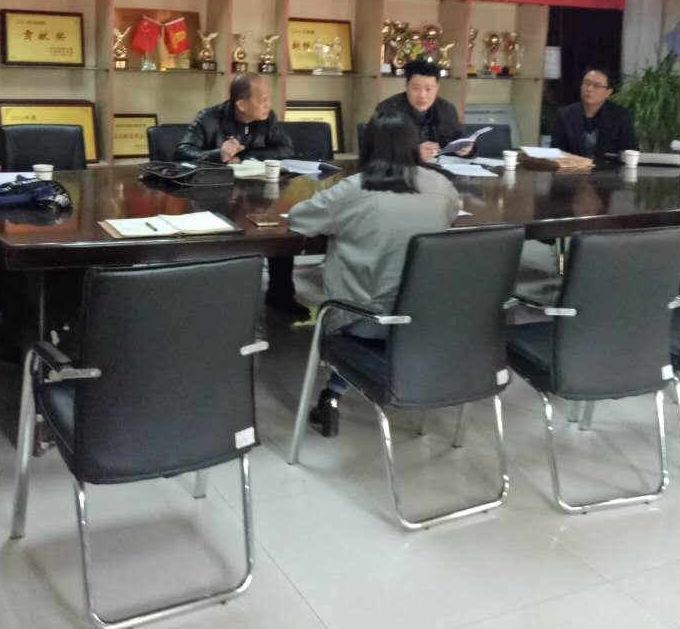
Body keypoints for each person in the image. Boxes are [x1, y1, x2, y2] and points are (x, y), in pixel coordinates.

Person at [287, 110, 461, 437]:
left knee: (359, 306)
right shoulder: (441, 185)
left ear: (368, 147)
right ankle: (344, 386)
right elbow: (452, 213)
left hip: (364, 320)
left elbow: (299, 219)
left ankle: (335, 390)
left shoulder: (353, 190)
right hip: (427, 319)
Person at [175, 73, 306, 318]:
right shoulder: (209, 118)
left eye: (268, 99)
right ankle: (219, 300)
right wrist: (218, 154)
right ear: (242, 105)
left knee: (277, 231)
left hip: (257, 194)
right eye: (262, 100)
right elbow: (182, 153)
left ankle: (281, 294)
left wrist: (244, 157)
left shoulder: (268, 119)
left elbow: (286, 149)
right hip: (213, 197)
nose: (268, 104)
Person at [373, 59, 470, 164]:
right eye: (416, 88)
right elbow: (376, 151)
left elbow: (460, 138)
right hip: (401, 170)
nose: (422, 95)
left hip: (440, 169)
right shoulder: (388, 109)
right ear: (407, 86)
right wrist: (412, 154)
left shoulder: (446, 109)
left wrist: (467, 150)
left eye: (428, 89)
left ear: (437, 88)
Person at [551, 66, 638, 160]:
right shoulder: (564, 115)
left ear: (608, 92)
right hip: (572, 168)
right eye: (586, 83)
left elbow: (630, 151)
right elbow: (556, 151)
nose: (589, 89)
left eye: (596, 86)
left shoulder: (620, 115)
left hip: (610, 168)